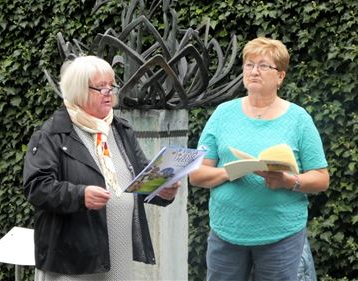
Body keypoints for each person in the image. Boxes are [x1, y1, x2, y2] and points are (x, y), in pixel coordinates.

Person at [23, 55, 180, 280]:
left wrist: (162, 191)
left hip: (119, 253)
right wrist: (80, 195)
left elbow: (141, 177)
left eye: (111, 85)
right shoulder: (52, 134)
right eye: (101, 87)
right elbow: (37, 187)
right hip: (73, 261)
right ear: (78, 90)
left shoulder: (120, 130)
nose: (109, 92)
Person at [189, 37, 329, 281]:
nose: (254, 71)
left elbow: (321, 178)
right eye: (249, 65)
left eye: (264, 66)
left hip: (281, 236)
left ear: (280, 77)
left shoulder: (299, 119)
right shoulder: (223, 114)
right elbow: (196, 174)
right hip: (226, 234)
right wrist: (230, 171)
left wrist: (288, 181)